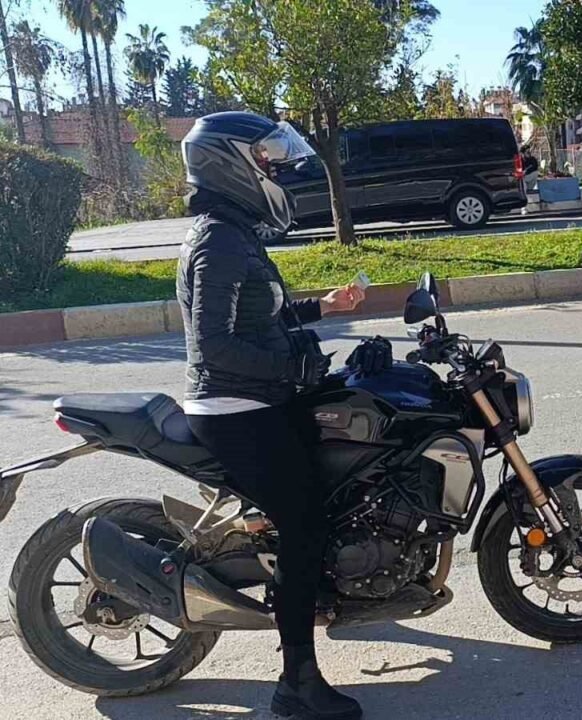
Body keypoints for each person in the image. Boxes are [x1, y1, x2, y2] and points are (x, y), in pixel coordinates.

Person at [177, 112, 367, 719]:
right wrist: (293, 367)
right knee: (305, 523)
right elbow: (215, 345)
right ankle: (297, 685)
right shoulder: (218, 241)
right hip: (234, 408)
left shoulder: (234, 231)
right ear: (229, 163)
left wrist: (323, 307)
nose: (276, 171)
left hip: (258, 399)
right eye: (265, 160)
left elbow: (262, 316)